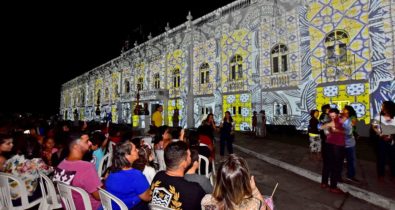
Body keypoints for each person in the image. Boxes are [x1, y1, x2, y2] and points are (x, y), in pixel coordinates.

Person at [150, 141, 205, 210]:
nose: (190, 158)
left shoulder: (158, 176)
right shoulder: (194, 190)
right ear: (184, 163)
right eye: (189, 156)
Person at [201, 154, 268, 210]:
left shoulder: (207, 202)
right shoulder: (254, 205)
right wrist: (255, 191)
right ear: (245, 180)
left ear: (219, 180)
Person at [57, 137, 102, 210]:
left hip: (68, 206)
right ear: (76, 146)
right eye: (86, 141)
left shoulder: (61, 164)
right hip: (89, 207)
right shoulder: (87, 167)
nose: (90, 143)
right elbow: (98, 196)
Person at [105, 141, 152, 210]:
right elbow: (148, 198)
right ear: (127, 155)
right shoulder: (135, 175)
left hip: (111, 207)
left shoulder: (112, 171)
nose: (138, 150)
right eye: (135, 149)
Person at [320, 108, 345, 194]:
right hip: (335, 145)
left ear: (337, 114)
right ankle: (332, 186)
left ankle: (324, 183)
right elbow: (321, 127)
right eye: (331, 116)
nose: (332, 117)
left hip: (333, 144)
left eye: (334, 116)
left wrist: (329, 126)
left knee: (329, 164)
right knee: (334, 165)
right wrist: (327, 126)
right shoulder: (335, 121)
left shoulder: (341, 120)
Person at [371, 101, 395, 182]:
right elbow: (374, 126)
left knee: (393, 159)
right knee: (381, 158)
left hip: (392, 140)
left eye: (383, 106)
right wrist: (381, 135)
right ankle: (381, 175)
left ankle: (393, 175)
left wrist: (392, 136)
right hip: (382, 141)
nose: (382, 107)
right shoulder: (379, 116)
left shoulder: (394, 116)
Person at [342, 105, 360, 183]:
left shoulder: (351, 119)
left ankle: (350, 176)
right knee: (339, 161)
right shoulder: (340, 119)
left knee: (351, 161)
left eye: (344, 110)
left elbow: (353, 125)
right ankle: (337, 176)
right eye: (343, 110)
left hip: (350, 143)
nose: (342, 110)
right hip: (341, 143)